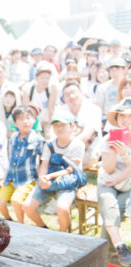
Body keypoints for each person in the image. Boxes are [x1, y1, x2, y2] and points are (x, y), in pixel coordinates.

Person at [23, 111, 85, 232]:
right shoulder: (50, 144)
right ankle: (44, 228)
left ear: (72, 126)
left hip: (68, 182)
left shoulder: (78, 145)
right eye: (56, 125)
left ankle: (62, 233)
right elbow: (44, 164)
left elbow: (71, 169)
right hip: (49, 179)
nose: (59, 128)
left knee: (62, 208)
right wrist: (42, 178)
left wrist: (50, 177)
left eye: (62, 125)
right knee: (27, 207)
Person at [97, 97, 131, 266]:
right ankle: (119, 247)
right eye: (122, 116)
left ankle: (106, 256)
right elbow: (108, 170)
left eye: (129, 116)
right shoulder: (107, 139)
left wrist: (125, 154)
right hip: (108, 182)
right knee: (107, 202)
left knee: (110, 212)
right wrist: (112, 151)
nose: (126, 120)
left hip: (128, 185)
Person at [0, 106, 44, 223]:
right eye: (21, 119)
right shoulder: (13, 138)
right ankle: (9, 220)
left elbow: (44, 159)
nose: (25, 122)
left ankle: (20, 225)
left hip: (27, 178)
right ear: (15, 123)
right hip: (10, 177)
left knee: (16, 202)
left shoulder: (38, 140)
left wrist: (41, 175)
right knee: (0, 203)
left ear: (34, 120)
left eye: (28, 118)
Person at [57, 82, 102, 168]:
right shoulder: (61, 111)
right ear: (64, 99)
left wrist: (66, 148)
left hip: (89, 149)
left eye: (74, 92)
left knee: (63, 161)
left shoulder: (93, 109)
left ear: (81, 93)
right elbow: (56, 133)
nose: (71, 96)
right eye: (67, 94)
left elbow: (88, 134)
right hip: (65, 149)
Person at [22, 63, 58, 139]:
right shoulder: (28, 88)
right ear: (36, 78)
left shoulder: (52, 88)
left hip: (46, 120)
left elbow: (51, 109)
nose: (45, 81)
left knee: (50, 137)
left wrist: (51, 126)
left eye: (47, 78)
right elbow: (26, 109)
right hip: (33, 120)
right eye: (42, 78)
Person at [96, 57, 127, 126]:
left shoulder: (128, 86)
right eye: (112, 70)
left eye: (117, 70)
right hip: (107, 120)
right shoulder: (102, 87)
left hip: (126, 119)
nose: (114, 73)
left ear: (124, 70)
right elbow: (99, 108)